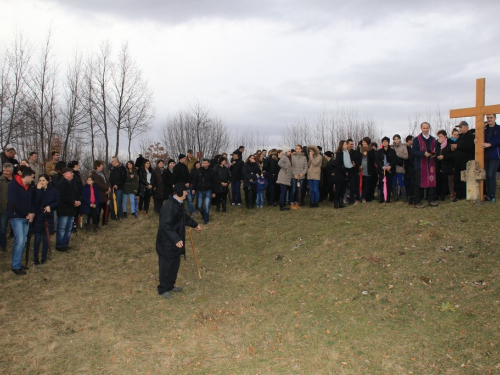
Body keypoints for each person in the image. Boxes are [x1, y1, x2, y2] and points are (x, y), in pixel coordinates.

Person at [156, 183, 201, 299]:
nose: (187, 193)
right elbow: (165, 225)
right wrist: (176, 239)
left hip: (176, 241)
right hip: (167, 242)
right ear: (181, 192)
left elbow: (183, 217)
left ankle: (170, 285)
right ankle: (163, 289)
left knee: (175, 264)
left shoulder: (179, 204)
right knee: (166, 266)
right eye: (186, 191)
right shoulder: (169, 206)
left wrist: (194, 224)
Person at [8, 167, 35, 275]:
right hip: (17, 217)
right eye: (32, 177)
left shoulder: (29, 187)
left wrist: (32, 213)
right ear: (27, 176)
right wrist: (26, 213)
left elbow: (31, 201)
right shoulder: (13, 185)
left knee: (23, 241)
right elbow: (14, 203)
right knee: (19, 241)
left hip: (26, 217)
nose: (33, 179)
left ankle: (18, 263)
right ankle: (15, 266)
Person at [32, 174, 59, 265]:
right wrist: (39, 191)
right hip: (38, 217)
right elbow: (35, 203)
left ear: (47, 181)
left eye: (43, 180)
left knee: (46, 237)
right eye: (40, 180)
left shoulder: (53, 190)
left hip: (48, 217)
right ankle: (35, 258)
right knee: (37, 238)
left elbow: (57, 201)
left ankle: (44, 257)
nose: (41, 182)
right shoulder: (35, 190)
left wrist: (50, 207)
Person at [412, 122, 439, 208]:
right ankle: (417, 202)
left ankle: (431, 200)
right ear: (421, 128)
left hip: (431, 165)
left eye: (427, 128)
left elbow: (436, 150)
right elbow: (414, 152)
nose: (426, 130)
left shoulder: (433, 139)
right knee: (418, 184)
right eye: (424, 128)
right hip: (420, 165)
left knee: (431, 182)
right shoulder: (416, 139)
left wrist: (434, 154)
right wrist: (424, 154)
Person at [55, 167, 81, 251]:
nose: (72, 174)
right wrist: (73, 202)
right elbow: (62, 197)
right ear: (65, 174)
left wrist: (78, 201)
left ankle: (65, 244)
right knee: (62, 228)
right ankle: (60, 245)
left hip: (70, 209)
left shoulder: (71, 183)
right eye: (70, 173)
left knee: (68, 228)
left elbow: (75, 194)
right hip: (63, 209)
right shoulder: (61, 184)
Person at [451, 121, 475, 201]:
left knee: (464, 178)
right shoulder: (460, 136)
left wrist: (458, 146)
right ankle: (458, 195)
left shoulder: (470, 136)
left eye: (461, 127)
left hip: (465, 160)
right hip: (458, 160)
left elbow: (469, 146)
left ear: (466, 127)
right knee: (457, 178)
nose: (460, 129)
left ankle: (464, 194)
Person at [192, 159, 216, 224]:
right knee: (199, 206)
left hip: (208, 190)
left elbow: (214, 182)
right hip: (200, 190)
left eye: (206, 163)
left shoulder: (212, 171)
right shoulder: (199, 171)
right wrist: (193, 189)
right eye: (203, 163)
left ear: (208, 163)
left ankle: (206, 219)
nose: (204, 164)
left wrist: (214, 192)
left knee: (207, 205)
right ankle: (204, 214)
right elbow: (195, 180)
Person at [483, 114, 500, 202]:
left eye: (491, 118)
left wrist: (490, 144)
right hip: (486, 155)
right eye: (488, 118)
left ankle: (492, 195)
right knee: (487, 176)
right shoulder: (484, 129)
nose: (489, 119)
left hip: (495, 155)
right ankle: (488, 194)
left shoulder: (498, 128)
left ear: (495, 118)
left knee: (491, 174)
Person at [376, 137, 397, 203]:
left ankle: (388, 198)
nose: (385, 143)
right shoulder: (379, 151)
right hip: (382, 170)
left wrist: (390, 166)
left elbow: (395, 160)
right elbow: (377, 160)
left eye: (386, 141)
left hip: (389, 170)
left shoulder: (392, 151)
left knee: (389, 184)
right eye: (383, 141)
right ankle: (381, 198)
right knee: (382, 184)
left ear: (388, 142)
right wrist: (382, 166)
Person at [90, 160, 111, 226]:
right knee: (98, 211)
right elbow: (98, 184)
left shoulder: (102, 173)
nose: (102, 167)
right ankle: (96, 224)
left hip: (105, 195)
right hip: (99, 195)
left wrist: (108, 188)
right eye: (101, 165)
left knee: (107, 209)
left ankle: (105, 222)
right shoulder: (94, 175)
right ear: (97, 167)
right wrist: (106, 188)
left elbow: (107, 181)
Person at [436, 130, 454, 201]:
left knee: (448, 180)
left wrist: (444, 156)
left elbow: (452, 154)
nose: (440, 138)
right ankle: (439, 194)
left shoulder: (449, 144)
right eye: (439, 136)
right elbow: (435, 151)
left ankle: (448, 193)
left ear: (445, 136)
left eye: (441, 136)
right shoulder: (437, 144)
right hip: (439, 164)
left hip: (447, 164)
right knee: (440, 180)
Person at [356, 137, 376, 202]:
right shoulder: (359, 150)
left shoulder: (371, 150)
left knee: (367, 184)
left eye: (364, 142)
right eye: (362, 142)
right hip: (361, 169)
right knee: (361, 184)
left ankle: (366, 197)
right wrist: (359, 165)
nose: (363, 143)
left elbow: (373, 159)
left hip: (368, 169)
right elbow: (357, 159)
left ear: (368, 143)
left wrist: (368, 153)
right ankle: (360, 197)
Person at [0, 163, 13, 251]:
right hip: (2, 207)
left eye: (7, 171)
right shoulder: (0, 180)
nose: (5, 172)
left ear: (11, 171)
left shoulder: (15, 180)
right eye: (4, 170)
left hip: (13, 207)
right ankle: (3, 245)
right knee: (3, 227)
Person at [290, 145, 308, 209]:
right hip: (294, 176)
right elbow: (291, 167)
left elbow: (306, 167)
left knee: (299, 191)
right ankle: (292, 203)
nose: (298, 150)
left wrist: (302, 173)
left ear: (301, 149)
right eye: (296, 149)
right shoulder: (292, 157)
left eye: (299, 149)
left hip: (301, 177)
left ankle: (297, 202)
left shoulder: (304, 157)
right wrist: (295, 174)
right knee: (293, 190)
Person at [392, 134, 408, 201]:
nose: (396, 140)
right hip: (393, 166)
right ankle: (396, 195)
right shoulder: (391, 147)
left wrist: (398, 155)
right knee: (394, 181)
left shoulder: (403, 147)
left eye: (397, 139)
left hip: (400, 166)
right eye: (395, 139)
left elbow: (406, 156)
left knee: (401, 181)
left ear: (400, 139)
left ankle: (404, 195)